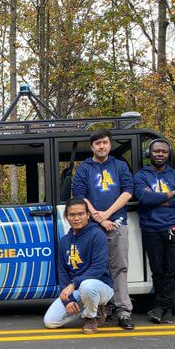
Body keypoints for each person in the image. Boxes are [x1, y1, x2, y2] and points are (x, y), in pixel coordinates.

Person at [71, 130, 135, 330]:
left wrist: (107, 214)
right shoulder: (84, 169)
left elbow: (128, 191)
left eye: (105, 143)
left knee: (120, 267)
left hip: (117, 223)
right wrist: (98, 218)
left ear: (110, 145)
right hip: (91, 228)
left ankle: (124, 311)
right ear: (92, 147)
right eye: (97, 143)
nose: (102, 146)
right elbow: (80, 196)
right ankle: (101, 310)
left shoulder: (120, 166)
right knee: (95, 268)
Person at [134, 139, 175, 324]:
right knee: (158, 270)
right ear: (149, 154)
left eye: (164, 152)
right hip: (151, 229)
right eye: (156, 151)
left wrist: (159, 200)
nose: (160, 154)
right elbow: (144, 197)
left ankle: (160, 305)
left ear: (169, 155)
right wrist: (170, 195)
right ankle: (165, 310)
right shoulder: (141, 176)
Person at [44, 198, 113, 334]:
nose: (76, 218)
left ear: (88, 215)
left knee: (87, 285)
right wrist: (67, 301)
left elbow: (98, 268)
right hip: (77, 289)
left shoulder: (97, 235)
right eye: (72, 215)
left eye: (80, 214)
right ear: (66, 216)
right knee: (50, 321)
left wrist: (73, 284)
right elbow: (63, 272)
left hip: (101, 287)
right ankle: (89, 310)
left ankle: (91, 318)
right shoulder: (64, 241)